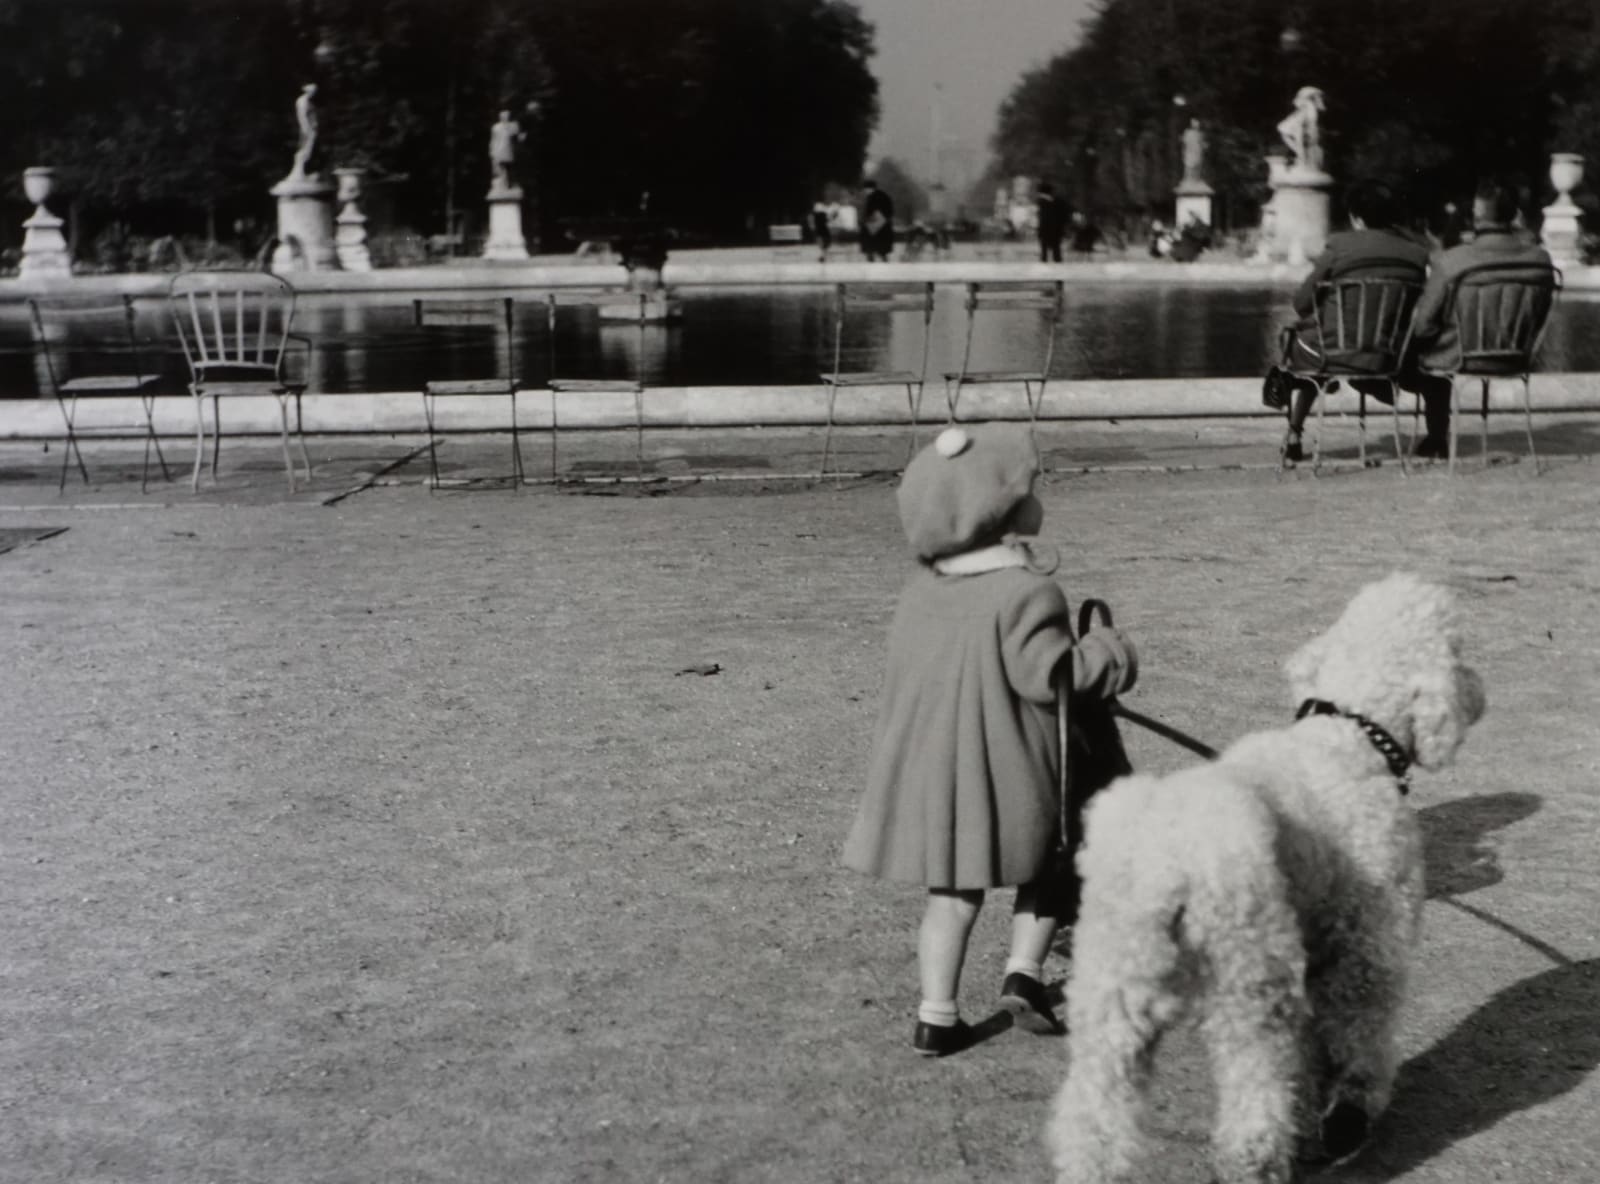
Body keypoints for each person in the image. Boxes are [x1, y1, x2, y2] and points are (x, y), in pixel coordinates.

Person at [842, 423, 1140, 1057]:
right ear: (1000, 516)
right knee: (1052, 868)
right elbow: (1054, 679)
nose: (1036, 496)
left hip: (942, 777)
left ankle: (937, 1015)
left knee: (951, 896)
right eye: (1027, 490)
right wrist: (1110, 652)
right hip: (1013, 773)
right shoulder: (1027, 593)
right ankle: (1023, 977)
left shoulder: (923, 592)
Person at [1262, 179, 1431, 463]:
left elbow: (1302, 303)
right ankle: (1369, 381)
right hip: (1389, 356)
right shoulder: (1416, 253)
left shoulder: (1340, 245)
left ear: (1356, 218)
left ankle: (1294, 433)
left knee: (1304, 341)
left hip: (1333, 355)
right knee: (1334, 338)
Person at [1402, 178, 1553, 458]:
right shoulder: (1541, 260)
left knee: (1419, 351)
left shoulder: (1453, 261)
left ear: (1477, 214)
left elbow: (1424, 324)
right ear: (1515, 214)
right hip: (1517, 355)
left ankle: (1436, 438)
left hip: (1461, 356)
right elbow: (1541, 313)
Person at [489, 110, 525, 192]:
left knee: (511, 168)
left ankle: (510, 183)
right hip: (499, 150)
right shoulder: (496, 127)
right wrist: (491, 151)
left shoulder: (513, 126)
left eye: (507, 116)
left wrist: (522, 137)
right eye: (504, 116)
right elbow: (493, 140)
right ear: (500, 117)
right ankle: (503, 185)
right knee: (501, 168)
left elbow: (518, 137)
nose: (505, 117)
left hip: (510, 150)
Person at [860, 179, 895, 262]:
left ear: (869, 188)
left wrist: (867, 220)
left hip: (877, 225)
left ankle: (871, 260)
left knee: (871, 245)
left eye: (865, 189)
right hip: (882, 225)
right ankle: (880, 260)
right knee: (881, 250)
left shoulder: (874, 197)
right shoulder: (882, 195)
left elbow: (871, 212)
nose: (865, 191)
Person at [290, 84, 318, 178]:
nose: (314, 93)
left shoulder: (309, 101)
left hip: (311, 128)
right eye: (313, 91)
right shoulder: (302, 101)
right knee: (304, 148)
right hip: (306, 128)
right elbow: (302, 116)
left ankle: (302, 171)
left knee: (308, 148)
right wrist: (306, 128)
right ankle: (298, 171)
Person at [1036, 181, 1066, 262]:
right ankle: (1057, 263)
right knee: (1056, 249)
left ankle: (1046, 262)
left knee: (1045, 250)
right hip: (1056, 229)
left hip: (1046, 228)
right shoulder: (1059, 201)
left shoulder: (1042, 202)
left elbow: (1043, 218)